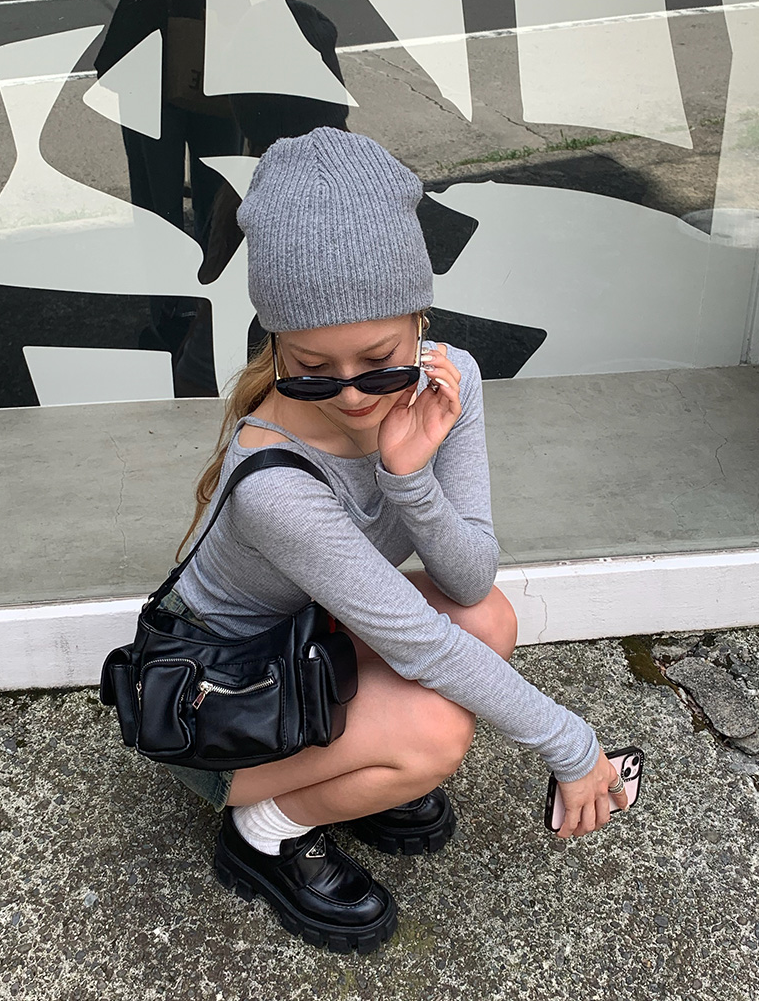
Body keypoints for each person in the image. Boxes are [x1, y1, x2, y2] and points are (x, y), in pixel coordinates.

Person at [164, 126, 627, 953]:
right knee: (435, 735)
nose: (353, 396)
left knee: (486, 616)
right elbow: (420, 646)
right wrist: (572, 746)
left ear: (420, 320)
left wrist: (408, 476)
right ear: (277, 344)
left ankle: (358, 772)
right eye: (311, 369)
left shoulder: (451, 380)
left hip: (310, 642)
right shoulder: (274, 483)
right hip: (224, 702)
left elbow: (467, 576)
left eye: (380, 361)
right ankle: (264, 834)